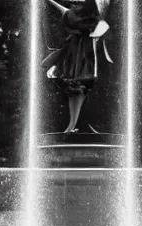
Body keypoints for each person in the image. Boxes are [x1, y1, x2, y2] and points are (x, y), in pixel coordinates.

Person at [43, 0, 113, 133]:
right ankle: (73, 124)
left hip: (81, 58)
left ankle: (73, 124)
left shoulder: (85, 17)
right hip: (77, 57)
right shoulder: (87, 16)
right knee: (75, 89)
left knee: (78, 88)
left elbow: (67, 13)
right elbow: (67, 13)